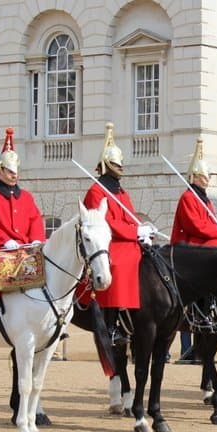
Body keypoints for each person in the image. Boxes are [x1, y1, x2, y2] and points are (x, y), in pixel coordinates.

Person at [0, 127, 45, 333]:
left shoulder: (26, 196)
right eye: (10, 172)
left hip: (23, 247)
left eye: (16, 172)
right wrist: (3, 240)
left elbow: (35, 219)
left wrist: (37, 238)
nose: (14, 176)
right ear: (0, 170)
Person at [82, 122, 146, 346]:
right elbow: (107, 223)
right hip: (107, 242)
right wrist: (134, 231)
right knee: (118, 263)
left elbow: (129, 218)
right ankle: (111, 325)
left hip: (127, 239)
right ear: (107, 165)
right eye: (117, 165)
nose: (121, 168)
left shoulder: (121, 191)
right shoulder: (97, 191)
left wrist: (141, 231)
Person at [171, 138, 217, 364]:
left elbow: (209, 222)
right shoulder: (188, 197)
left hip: (203, 246)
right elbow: (196, 226)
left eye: (208, 177)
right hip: (190, 250)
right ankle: (188, 348)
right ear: (194, 177)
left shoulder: (204, 198)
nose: (207, 180)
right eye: (204, 176)